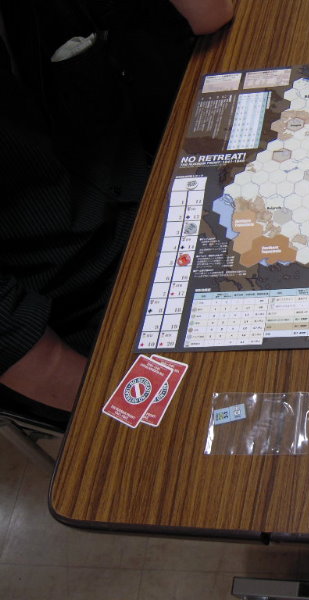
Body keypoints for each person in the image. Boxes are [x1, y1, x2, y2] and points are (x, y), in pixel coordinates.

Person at [0, 0, 233, 420]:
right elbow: (30, 355)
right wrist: (178, 412)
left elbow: (210, 14)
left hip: (161, 194)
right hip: (83, 308)